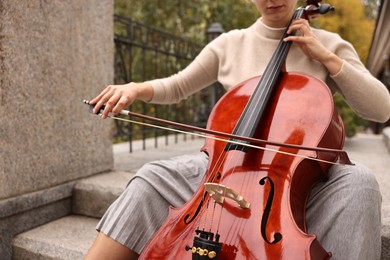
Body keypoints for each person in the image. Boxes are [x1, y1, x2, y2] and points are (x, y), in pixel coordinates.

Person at [85, 0, 390, 259]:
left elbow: (381, 108)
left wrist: (327, 57)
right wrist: (136, 89)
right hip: (226, 165)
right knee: (152, 177)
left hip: (300, 175)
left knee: (360, 183)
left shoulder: (329, 43)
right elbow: (177, 85)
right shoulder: (229, 44)